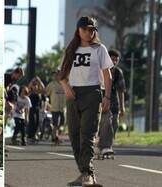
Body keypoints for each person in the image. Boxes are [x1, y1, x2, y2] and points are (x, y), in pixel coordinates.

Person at [59, 16, 113, 186]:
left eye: (91, 30)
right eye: (85, 29)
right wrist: (66, 88)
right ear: (78, 30)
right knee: (74, 136)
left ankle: (89, 174)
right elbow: (61, 75)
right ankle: (84, 173)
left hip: (92, 92)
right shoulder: (71, 49)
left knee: (87, 134)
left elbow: (107, 74)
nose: (88, 32)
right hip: (73, 94)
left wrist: (107, 96)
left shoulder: (99, 49)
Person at [97, 49, 126, 156]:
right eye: (112, 59)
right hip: (102, 101)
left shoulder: (118, 72)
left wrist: (122, 107)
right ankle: (105, 147)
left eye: (116, 60)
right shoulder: (100, 69)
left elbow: (121, 90)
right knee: (106, 123)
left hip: (115, 103)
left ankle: (105, 144)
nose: (114, 62)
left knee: (114, 124)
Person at [45, 70, 66, 143]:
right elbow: (46, 93)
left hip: (63, 108)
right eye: (56, 75)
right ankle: (54, 137)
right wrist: (47, 105)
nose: (57, 76)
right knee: (55, 124)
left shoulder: (65, 83)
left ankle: (55, 135)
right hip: (54, 108)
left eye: (59, 74)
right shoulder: (51, 84)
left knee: (62, 123)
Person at [27, 76, 45, 143]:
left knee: (37, 123)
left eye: (36, 85)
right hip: (31, 109)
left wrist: (39, 81)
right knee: (32, 122)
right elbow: (28, 87)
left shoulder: (38, 92)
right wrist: (32, 81)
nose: (35, 86)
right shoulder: (30, 92)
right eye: (34, 85)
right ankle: (30, 136)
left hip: (37, 109)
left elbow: (43, 89)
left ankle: (34, 136)